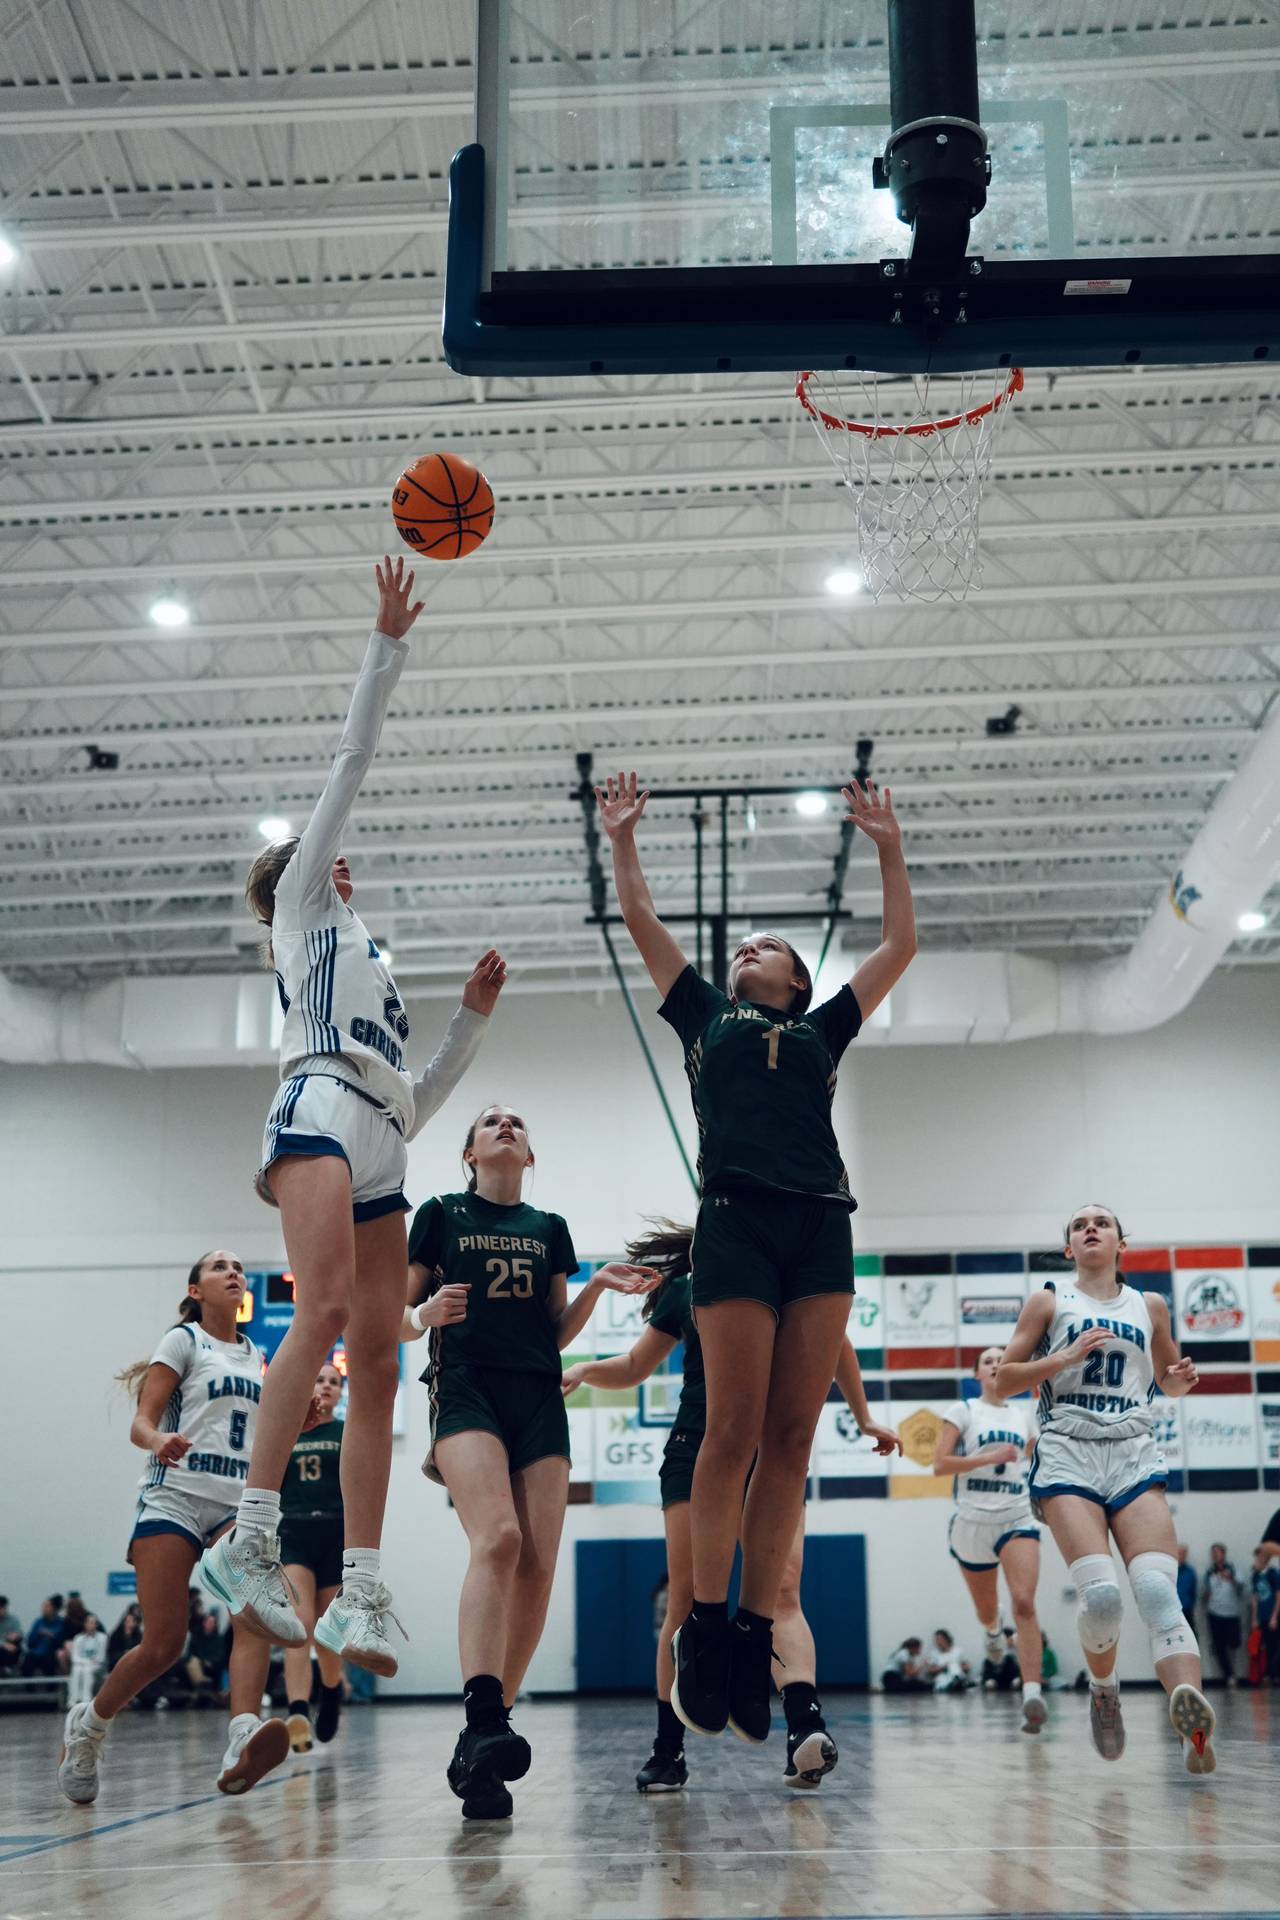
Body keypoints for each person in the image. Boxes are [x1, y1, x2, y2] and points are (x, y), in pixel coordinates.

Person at [199, 556, 504, 1679]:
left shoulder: (368, 958)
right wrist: (387, 642)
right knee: (323, 1309)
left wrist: (470, 1021)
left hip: (382, 1130)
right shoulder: (301, 910)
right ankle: (250, 1536)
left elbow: (417, 1099)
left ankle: (361, 1590)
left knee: (378, 1360)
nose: (342, 858)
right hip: (318, 1104)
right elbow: (351, 757)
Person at [595, 768, 916, 1747]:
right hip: (733, 1219)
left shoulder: (822, 1028)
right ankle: (700, 1624)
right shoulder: (704, 1011)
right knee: (728, 1430)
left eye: (768, 946)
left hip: (820, 1227)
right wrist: (621, 839)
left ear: (797, 982)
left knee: (790, 1442)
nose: (748, 947)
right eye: (745, 944)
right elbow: (641, 918)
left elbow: (898, 946)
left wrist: (888, 848)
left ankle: (747, 1632)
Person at [561, 1219, 900, 1794]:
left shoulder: (789, 1283)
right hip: (697, 1449)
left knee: (783, 1591)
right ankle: (668, 1748)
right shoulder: (688, 1289)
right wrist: (587, 1369)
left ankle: (804, 1729)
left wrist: (864, 1417)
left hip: (773, 1455)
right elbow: (636, 1366)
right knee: (686, 1598)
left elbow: (835, 1343)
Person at [402, 1103, 659, 1822]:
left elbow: (553, 1331)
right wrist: (423, 1316)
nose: (506, 1126)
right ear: (470, 1152)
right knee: (500, 1540)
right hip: (466, 1386)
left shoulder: (550, 1228)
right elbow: (392, 1314)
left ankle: (487, 1738)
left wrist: (596, 1287)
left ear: (530, 1155)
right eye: (491, 1122)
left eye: (516, 1122)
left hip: (539, 1394)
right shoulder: (440, 1213)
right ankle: (483, 1714)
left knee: (539, 1565)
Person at [56, 1250, 320, 1806]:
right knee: (164, 1645)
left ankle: (242, 1733)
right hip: (173, 1497)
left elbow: (261, 1432)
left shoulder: (256, 1354)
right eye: (219, 1267)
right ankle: (89, 1726)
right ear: (195, 1290)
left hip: (234, 1504)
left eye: (238, 1267)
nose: (234, 1273)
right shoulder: (183, 1341)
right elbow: (141, 1421)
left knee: (251, 1611)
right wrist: (158, 1441)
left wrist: (304, 1421)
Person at [997, 1203, 1216, 1773]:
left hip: (1133, 1450)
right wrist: (1064, 1357)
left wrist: (1180, 1380)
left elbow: (1168, 1381)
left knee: (1158, 1591)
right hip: (1068, 1449)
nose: (1090, 1227)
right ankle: (1104, 1689)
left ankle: (1192, 1726)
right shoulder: (1049, 1300)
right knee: (1102, 1599)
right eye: (1079, 1225)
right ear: (1069, 1248)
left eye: (1102, 1222)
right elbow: (1003, 1380)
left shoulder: (1150, 1305)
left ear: (1121, 1243)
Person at [934, 1345, 1046, 1732]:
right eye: (988, 1360)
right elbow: (939, 1465)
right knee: (986, 1611)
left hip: (1016, 1515)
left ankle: (1032, 1693)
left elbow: (1039, 1463)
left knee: (1025, 1602)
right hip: (972, 1521)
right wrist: (987, 1458)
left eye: (1002, 1358)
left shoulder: (1024, 1416)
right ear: (977, 1374)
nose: (996, 1363)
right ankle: (993, 1630)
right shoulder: (963, 1410)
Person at [279, 1360, 348, 1753]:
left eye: (333, 1382)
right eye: (319, 1379)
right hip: (295, 1531)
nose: (325, 1386)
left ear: (340, 1393)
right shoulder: (287, 1430)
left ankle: (332, 1689)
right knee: (299, 1625)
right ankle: (298, 1713)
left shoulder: (345, 1431)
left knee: (327, 1631)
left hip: (335, 1532)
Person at [1203, 1543, 1241, 1687]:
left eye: (1217, 1552)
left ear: (1223, 1554)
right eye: (1213, 1553)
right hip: (1214, 1612)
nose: (1215, 1555)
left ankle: (1234, 1670)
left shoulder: (1233, 1568)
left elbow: (1241, 1588)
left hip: (1231, 1612)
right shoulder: (1209, 1572)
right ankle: (1229, 1675)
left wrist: (1230, 1578)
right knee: (1219, 1646)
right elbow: (1205, 1591)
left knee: (1234, 1643)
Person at [67, 1616, 108, 1707]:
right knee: (76, 1670)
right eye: (89, 1622)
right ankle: (73, 1699)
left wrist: (87, 1662)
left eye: (93, 1623)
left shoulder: (103, 1638)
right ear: (85, 1624)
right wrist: (84, 1662)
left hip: (96, 1665)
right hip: (81, 1664)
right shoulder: (78, 1638)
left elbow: (100, 1657)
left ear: (96, 1625)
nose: (91, 1625)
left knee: (87, 1670)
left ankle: (86, 1698)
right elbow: (75, 1657)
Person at [22, 1598, 65, 1678]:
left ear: (54, 1609)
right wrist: (38, 1635)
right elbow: (29, 1642)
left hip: (51, 1653)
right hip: (36, 1653)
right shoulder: (38, 1622)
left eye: (46, 1606)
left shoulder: (61, 1623)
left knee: (50, 1661)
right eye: (43, 1606)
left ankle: (51, 1685)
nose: (43, 1609)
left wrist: (51, 1636)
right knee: (28, 1660)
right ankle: (28, 1685)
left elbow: (61, 1642)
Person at [1176, 1544, 1198, 1632]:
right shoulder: (1169, 1570)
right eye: (1179, 1553)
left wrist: (1190, 1605)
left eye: (1184, 1553)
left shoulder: (1190, 1571)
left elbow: (1193, 1591)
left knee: (1190, 1634)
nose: (1181, 1556)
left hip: (1186, 1609)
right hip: (1172, 1612)